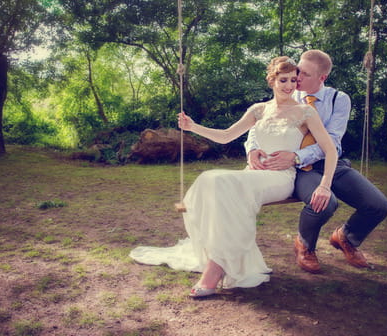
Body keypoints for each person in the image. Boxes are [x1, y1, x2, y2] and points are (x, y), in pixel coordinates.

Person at [130, 56, 337, 297]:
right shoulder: (259, 110)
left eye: (293, 80)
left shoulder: (305, 112)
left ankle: (215, 270)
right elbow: (226, 135)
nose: (289, 85)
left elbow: (330, 150)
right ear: (271, 80)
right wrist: (193, 127)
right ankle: (217, 257)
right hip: (254, 174)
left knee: (223, 182)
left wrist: (324, 185)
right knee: (210, 179)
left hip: (281, 177)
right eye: (283, 80)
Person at [245, 49, 387, 274]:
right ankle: (305, 245)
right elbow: (260, 124)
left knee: (378, 206)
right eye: (297, 71)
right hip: (301, 170)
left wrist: (296, 155)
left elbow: (332, 142)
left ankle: (347, 238)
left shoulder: (338, 99)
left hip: (330, 162)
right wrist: (252, 148)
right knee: (324, 203)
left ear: (322, 78)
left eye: (303, 74)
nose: (296, 78)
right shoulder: (287, 93)